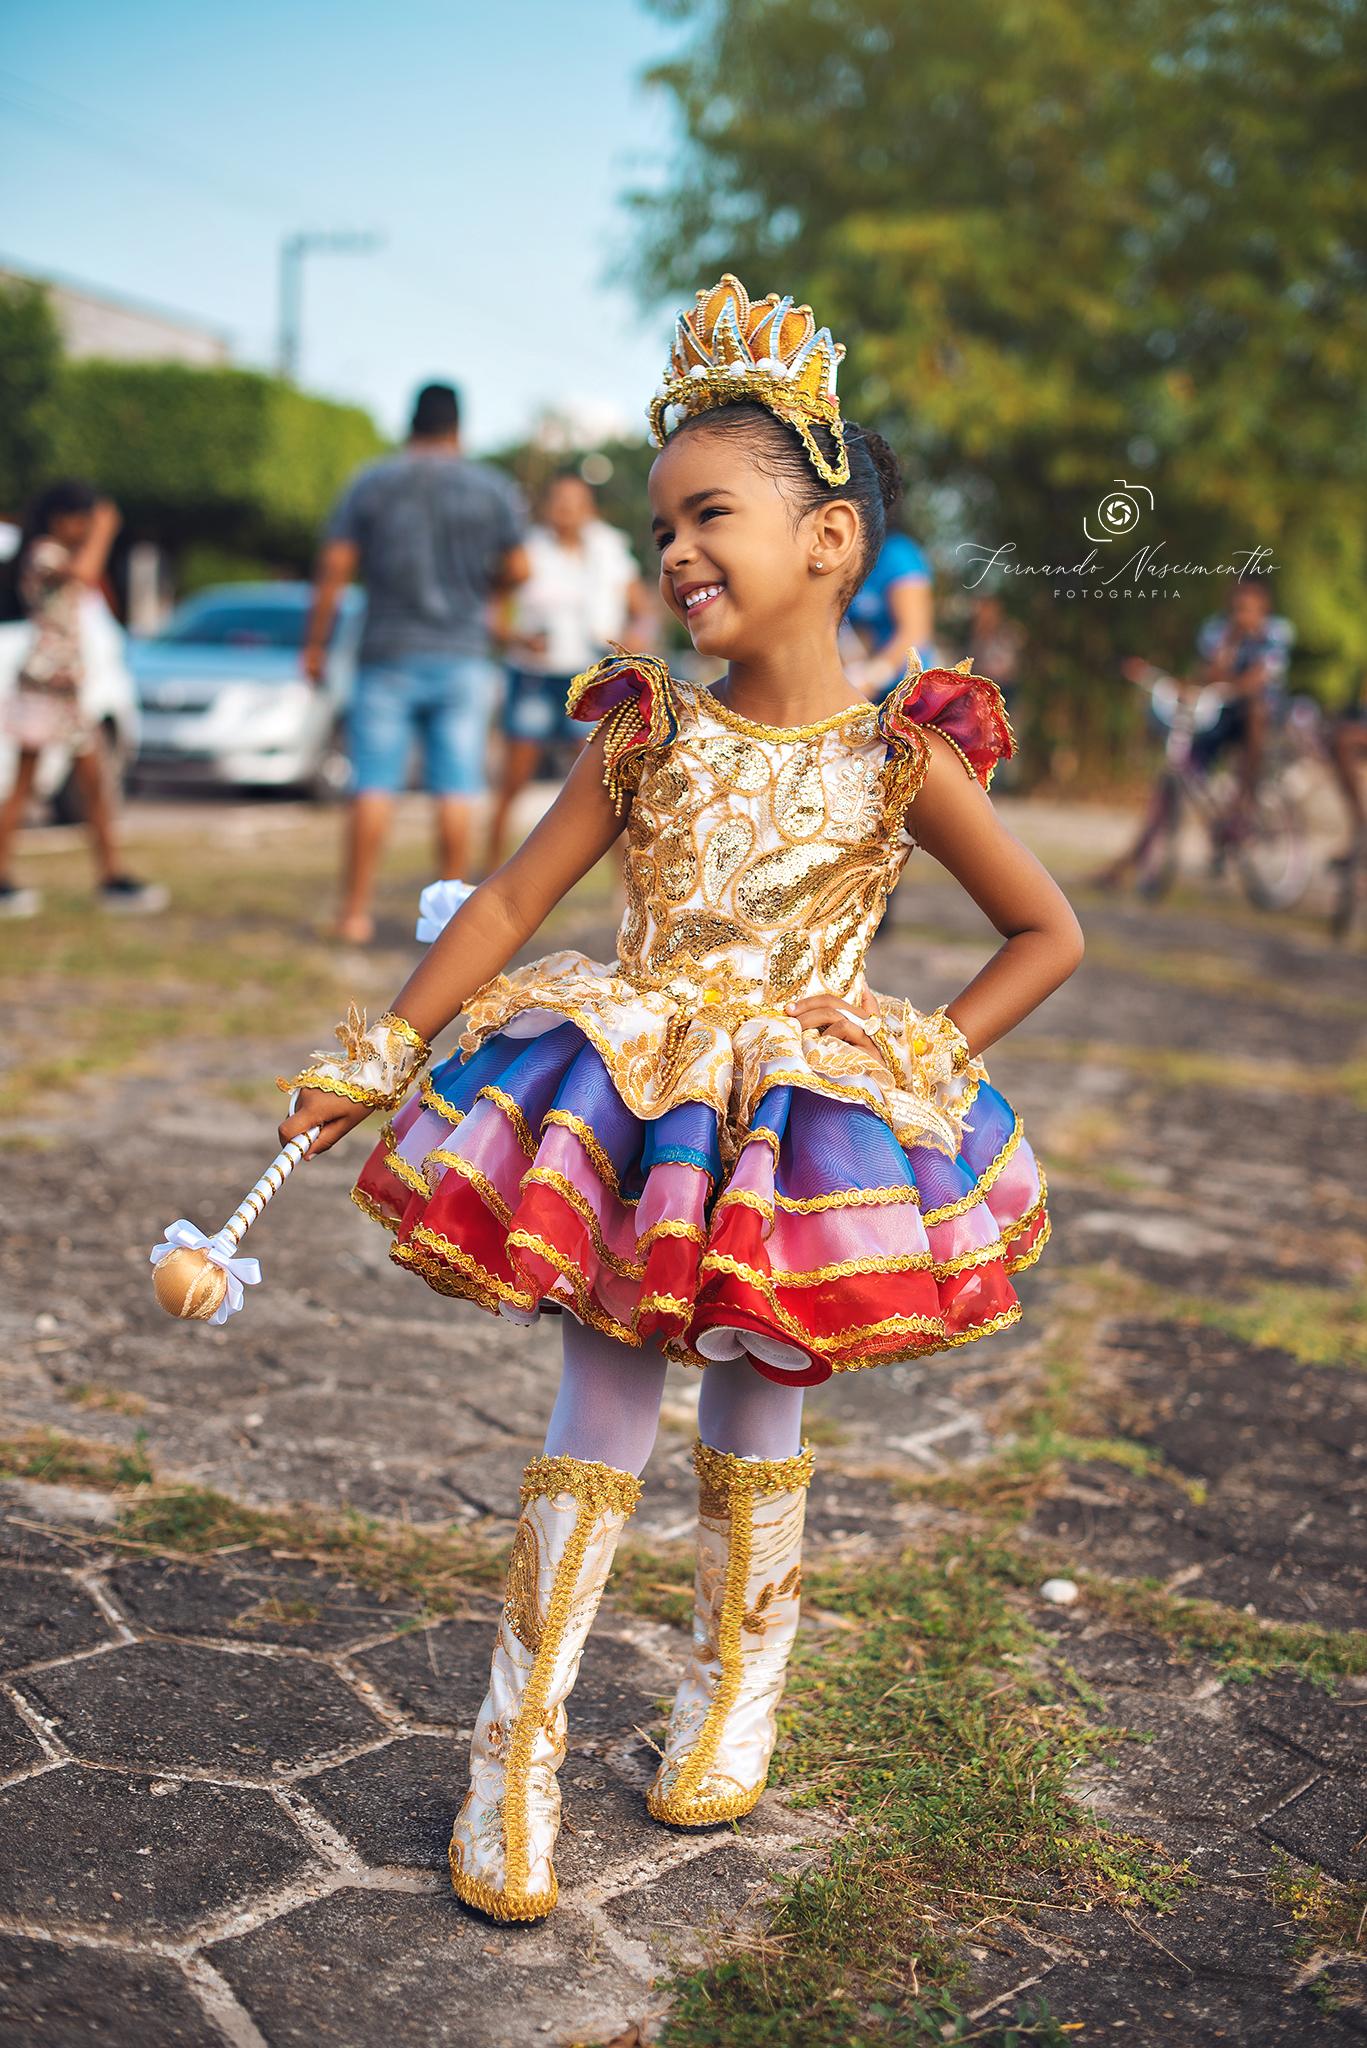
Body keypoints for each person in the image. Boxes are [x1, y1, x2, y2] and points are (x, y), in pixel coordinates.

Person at [278, 274, 1082, 1924]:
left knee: (757, 1408)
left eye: (709, 513)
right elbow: (503, 906)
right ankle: (513, 1761)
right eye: (661, 529)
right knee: (595, 1418)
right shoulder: (647, 731)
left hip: (798, 1127)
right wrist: (382, 1048)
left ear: (831, 541)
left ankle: (735, 1696)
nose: (675, 555)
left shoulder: (897, 752)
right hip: (634, 1107)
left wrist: (928, 1048)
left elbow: (1045, 929)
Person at [303, 383, 530, 944]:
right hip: (463, 656)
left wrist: (315, 644)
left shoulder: (373, 482)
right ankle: (451, 920)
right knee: (455, 787)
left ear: (410, 424)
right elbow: (520, 567)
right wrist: (484, 582)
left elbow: (335, 567)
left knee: (373, 784)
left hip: (387, 650)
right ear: (458, 428)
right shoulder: (490, 488)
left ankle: (354, 913)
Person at [0, 480, 166, 918]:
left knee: (92, 786)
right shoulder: (44, 553)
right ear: (60, 519)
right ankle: (9, 877)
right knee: (24, 786)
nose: (85, 527)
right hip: (44, 686)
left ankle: (111, 874)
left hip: (66, 691)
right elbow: (87, 574)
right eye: (81, 518)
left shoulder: (53, 554)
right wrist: (105, 531)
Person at [486, 471, 649, 868]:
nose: (566, 510)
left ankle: (623, 882)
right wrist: (518, 638)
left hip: (594, 679)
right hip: (536, 677)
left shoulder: (610, 549)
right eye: (559, 501)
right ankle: (490, 868)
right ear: (545, 507)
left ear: (589, 508)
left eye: (575, 502)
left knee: (606, 783)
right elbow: (494, 612)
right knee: (514, 780)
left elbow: (642, 610)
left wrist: (632, 643)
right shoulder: (526, 552)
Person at [1097, 576, 1293, 890]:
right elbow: (1205, 673)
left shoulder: (1277, 632)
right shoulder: (1217, 631)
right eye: (1237, 607)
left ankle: (1246, 801)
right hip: (1221, 713)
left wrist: (1227, 680)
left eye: (1249, 608)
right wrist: (1229, 648)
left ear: (1263, 608)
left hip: (1255, 719)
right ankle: (1132, 862)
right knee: (1176, 772)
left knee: (1256, 710)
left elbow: (1258, 680)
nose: (1242, 615)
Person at [843, 506, 935, 701]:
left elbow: (915, 632)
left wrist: (873, 676)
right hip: (867, 689)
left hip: (909, 694)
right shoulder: (850, 557)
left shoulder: (899, 554)